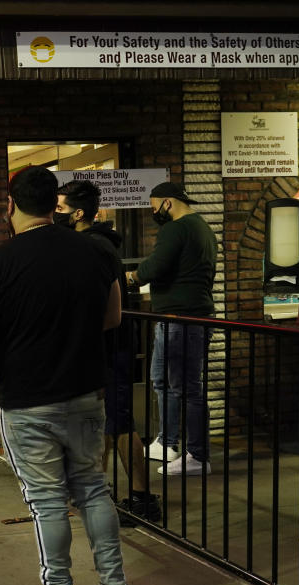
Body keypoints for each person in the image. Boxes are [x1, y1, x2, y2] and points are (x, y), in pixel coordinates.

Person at [0, 166, 133, 585]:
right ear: (55, 205)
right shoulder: (97, 252)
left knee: (47, 504)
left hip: (27, 400)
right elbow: (113, 316)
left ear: (11, 205)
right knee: (94, 491)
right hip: (84, 393)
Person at [55, 180, 161, 524]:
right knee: (105, 422)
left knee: (118, 421)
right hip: (107, 347)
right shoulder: (94, 244)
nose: (56, 214)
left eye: (60, 209)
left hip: (111, 348)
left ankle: (142, 499)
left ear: (79, 213)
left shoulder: (94, 248)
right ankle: (99, 492)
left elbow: (99, 304)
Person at [125, 182, 217, 476]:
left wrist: (130, 277)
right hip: (186, 318)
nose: (154, 213)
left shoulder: (176, 229)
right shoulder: (201, 227)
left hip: (180, 320)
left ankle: (197, 456)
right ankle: (167, 442)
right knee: (163, 381)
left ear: (168, 202)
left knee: (185, 387)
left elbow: (156, 267)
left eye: (154, 207)